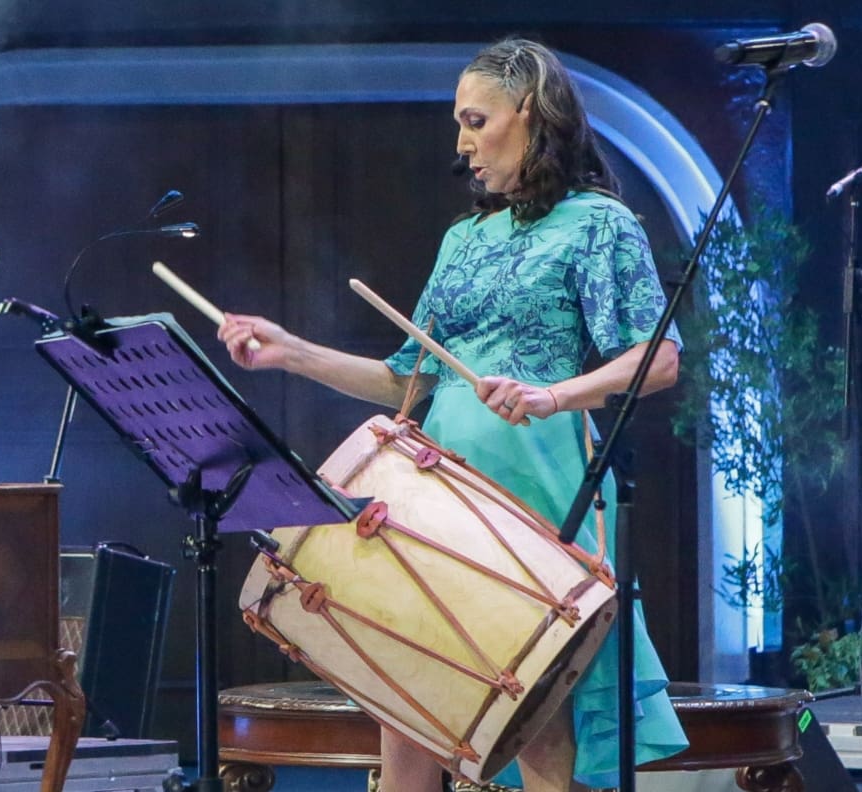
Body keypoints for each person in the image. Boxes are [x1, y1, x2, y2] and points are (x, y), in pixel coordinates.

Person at [218, 37, 687, 792]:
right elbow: (408, 380)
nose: (462, 144)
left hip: (538, 483)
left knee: (533, 717)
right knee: (409, 712)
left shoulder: (598, 224)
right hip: (434, 492)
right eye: (459, 125)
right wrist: (290, 352)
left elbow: (657, 360)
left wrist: (553, 394)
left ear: (530, 112)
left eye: (476, 120)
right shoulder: (462, 240)